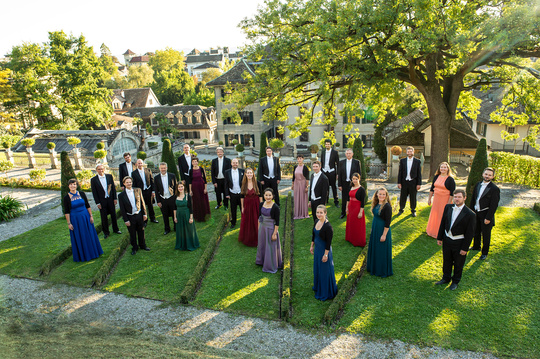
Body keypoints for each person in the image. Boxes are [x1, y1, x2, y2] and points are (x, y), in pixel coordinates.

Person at [436, 189, 475, 290]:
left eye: (459, 197)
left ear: (464, 198)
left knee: (458, 263)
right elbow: (443, 223)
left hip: (459, 242)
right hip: (447, 239)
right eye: (455, 197)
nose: (457, 199)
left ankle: (455, 281)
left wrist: (465, 248)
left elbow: (470, 233)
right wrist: (439, 237)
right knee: (447, 261)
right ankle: (446, 278)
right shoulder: (448, 207)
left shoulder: (470, 214)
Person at [64, 178, 103, 262]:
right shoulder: (66, 197)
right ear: (68, 186)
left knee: (89, 234)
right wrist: (69, 223)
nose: (73, 186)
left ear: (76, 185)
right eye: (71, 184)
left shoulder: (81, 193)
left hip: (85, 217)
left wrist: (91, 216)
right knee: (80, 236)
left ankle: (94, 252)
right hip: (75, 219)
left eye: (74, 184)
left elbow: (87, 205)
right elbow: (66, 212)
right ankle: (83, 255)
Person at [469, 167, 500, 260]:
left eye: (490, 175)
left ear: (493, 176)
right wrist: (471, 212)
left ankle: (484, 252)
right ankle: (476, 246)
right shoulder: (478, 184)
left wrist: (488, 218)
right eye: (486, 174)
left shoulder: (494, 189)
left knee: (486, 234)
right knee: (476, 230)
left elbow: (494, 205)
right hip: (476, 212)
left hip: (486, 214)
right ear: (483, 174)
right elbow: (474, 199)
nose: (487, 176)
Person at [310, 204, 338, 301]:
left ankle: (326, 291)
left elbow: (328, 243)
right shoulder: (316, 221)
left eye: (321, 213)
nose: (319, 214)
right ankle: (318, 286)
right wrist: (312, 245)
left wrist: (326, 255)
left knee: (324, 271)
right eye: (317, 212)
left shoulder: (328, 227)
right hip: (317, 250)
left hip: (324, 251)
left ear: (325, 213)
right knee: (317, 268)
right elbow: (314, 234)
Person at [118, 176, 149, 255]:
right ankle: (134, 247)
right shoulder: (121, 195)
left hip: (138, 214)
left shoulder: (138, 190)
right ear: (124, 184)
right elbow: (122, 209)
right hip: (130, 216)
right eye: (127, 182)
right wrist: (126, 220)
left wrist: (145, 214)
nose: (129, 183)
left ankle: (143, 245)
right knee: (132, 233)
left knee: (141, 231)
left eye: (130, 182)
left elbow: (142, 203)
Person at [366, 187, 393, 277]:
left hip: (382, 230)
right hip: (376, 229)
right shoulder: (376, 203)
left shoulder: (387, 206)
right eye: (380, 194)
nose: (381, 196)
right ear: (377, 194)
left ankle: (381, 270)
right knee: (375, 248)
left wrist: (384, 235)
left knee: (381, 250)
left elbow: (387, 223)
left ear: (386, 196)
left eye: (383, 194)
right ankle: (373, 267)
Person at [256, 188, 283, 273]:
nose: (268, 197)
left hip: (271, 229)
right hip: (262, 228)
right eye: (266, 195)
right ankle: (261, 261)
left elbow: (277, 223)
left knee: (270, 247)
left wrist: (274, 233)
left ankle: (270, 264)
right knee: (262, 244)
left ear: (273, 196)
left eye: (269, 195)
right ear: (263, 196)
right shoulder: (261, 204)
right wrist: (258, 228)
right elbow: (259, 217)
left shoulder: (275, 207)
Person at [90, 164, 121, 239]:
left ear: (104, 169)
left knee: (113, 215)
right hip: (102, 201)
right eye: (99, 169)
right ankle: (106, 232)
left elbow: (113, 188)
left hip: (110, 199)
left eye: (102, 169)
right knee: (104, 217)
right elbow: (94, 192)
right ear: (96, 170)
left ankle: (116, 229)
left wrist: (115, 198)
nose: (101, 170)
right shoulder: (93, 180)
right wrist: (97, 203)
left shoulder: (109, 176)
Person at [426, 162, 456, 238]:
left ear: (448, 169)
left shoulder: (450, 179)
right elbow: (432, 189)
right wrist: (429, 199)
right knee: (435, 213)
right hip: (436, 200)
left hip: (445, 200)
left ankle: (441, 232)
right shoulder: (436, 177)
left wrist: (448, 204)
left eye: (445, 167)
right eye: (441, 167)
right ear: (439, 169)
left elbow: (452, 193)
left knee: (442, 215)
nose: (443, 169)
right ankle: (432, 231)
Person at [174, 181, 200, 251]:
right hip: (179, 216)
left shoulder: (188, 196)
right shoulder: (175, 196)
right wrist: (175, 217)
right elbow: (174, 208)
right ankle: (182, 245)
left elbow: (191, 208)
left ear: (184, 187)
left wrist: (191, 218)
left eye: (181, 186)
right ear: (177, 188)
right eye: (179, 187)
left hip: (187, 215)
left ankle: (191, 244)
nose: (180, 188)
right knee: (181, 230)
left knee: (189, 230)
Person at [131, 159, 158, 225]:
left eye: (141, 163)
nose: (140, 165)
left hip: (148, 190)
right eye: (138, 163)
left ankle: (153, 218)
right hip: (140, 192)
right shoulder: (134, 173)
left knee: (150, 205)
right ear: (136, 164)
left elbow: (152, 181)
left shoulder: (148, 170)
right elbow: (134, 184)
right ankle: (144, 221)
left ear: (143, 164)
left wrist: (153, 191)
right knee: (142, 207)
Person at [239, 167, 262, 246]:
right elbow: (241, 196)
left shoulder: (257, 183)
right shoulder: (243, 183)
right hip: (247, 205)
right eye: (248, 173)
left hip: (256, 204)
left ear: (253, 174)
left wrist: (261, 206)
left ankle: (258, 237)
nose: (249, 174)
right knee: (248, 221)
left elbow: (260, 195)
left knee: (256, 220)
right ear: (245, 174)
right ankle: (249, 238)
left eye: (250, 173)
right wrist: (242, 207)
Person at [397, 146, 422, 217]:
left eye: (411, 151)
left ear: (413, 152)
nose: (409, 153)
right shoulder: (402, 161)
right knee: (403, 196)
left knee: (413, 197)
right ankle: (401, 209)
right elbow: (400, 172)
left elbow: (419, 173)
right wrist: (399, 182)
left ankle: (413, 210)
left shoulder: (417, 161)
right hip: (404, 181)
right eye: (408, 151)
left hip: (413, 182)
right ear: (406, 152)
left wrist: (419, 184)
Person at [154, 162, 177, 235]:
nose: (163, 169)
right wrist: (158, 201)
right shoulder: (156, 178)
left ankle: (176, 227)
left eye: (164, 168)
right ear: (159, 169)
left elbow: (176, 187)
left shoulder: (172, 175)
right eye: (161, 168)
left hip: (171, 197)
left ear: (166, 168)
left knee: (174, 213)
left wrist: (176, 197)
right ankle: (167, 229)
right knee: (165, 214)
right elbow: (156, 190)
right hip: (162, 198)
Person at [338, 148, 361, 219]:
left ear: (352, 154)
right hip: (344, 183)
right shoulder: (341, 162)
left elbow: (359, 174)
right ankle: (343, 213)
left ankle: (352, 212)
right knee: (344, 198)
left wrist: (357, 184)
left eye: (349, 153)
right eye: (347, 153)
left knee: (353, 198)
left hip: (353, 183)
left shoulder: (356, 162)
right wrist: (339, 184)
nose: (348, 155)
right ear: (345, 154)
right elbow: (340, 174)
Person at [345, 173, 366, 247]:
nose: (354, 180)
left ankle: (357, 240)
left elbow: (363, 202)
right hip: (351, 207)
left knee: (357, 225)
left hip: (357, 208)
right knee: (351, 223)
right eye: (353, 179)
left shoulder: (362, 189)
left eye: (356, 179)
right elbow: (348, 199)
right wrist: (347, 208)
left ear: (359, 179)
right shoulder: (350, 187)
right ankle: (350, 238)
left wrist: (360, 212)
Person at [189, 157, 211, 222]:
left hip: (201, 186)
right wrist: (190, 190)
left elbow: (205, 180)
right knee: (196, 201)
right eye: (193, 162)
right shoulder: (190, 171)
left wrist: (205, 188)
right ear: (192, 163)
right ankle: (198, 217)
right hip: (194, 187)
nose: (195, 163)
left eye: (196, 161)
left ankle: (205, 216)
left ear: (197, 162)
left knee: (203, 201)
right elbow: (190, 181)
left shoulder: (201, 169)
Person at [224, 158, 244, 229]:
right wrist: (227, 194)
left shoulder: (242, 171)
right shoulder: (227, 172)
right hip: (232, 193)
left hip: (241, 193)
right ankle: (233, 222)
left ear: (238, 164)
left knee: (243, 208)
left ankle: (244, 222)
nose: (235, 164)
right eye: (233, 162)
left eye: (236, 163)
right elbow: (226, 184)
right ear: (231, 163)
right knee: (233, 209)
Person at [320, 139, 340, 207]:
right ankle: (325, 200)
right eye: (326, 144)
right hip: (324, 171)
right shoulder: (323, 152)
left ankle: (336, 201)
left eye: (328, 144)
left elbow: (338, 163)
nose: (327, 145)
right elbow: (321, 162)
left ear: (331, 145)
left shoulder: (335, 152)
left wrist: (337, 173)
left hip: (332, 171)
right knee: (325, 186)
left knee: (333, 186)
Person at [292, 154, 310, 219]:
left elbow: (307, 178)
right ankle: (297, 213)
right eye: (298, 158)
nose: (299, 160)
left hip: (303, 183)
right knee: (297, 197)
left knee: (303, 198)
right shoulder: (295, 167)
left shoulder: (305, 168)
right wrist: (292, 184)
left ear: (303, 159)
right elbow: (293, 176)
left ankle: (303, 213)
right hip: (296, 183)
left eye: (300, 158)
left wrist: (306, 186)